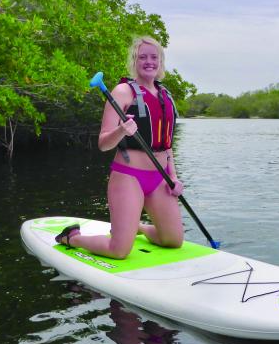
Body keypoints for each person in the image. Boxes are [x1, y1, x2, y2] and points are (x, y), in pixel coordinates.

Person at [55, 36, 185, 258]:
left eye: (154, 57)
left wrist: (173, 177)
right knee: (119, 251)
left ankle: (138, 227)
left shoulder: (166, 96)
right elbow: (103, 143)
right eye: (142, 57)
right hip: (129, 177)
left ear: (161, 62)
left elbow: (166, 144)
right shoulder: (123, 92)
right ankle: (72, 237)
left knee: (173, 240)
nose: (149, 62)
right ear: (134, 61)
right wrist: (121, 131)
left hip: (160, 179)